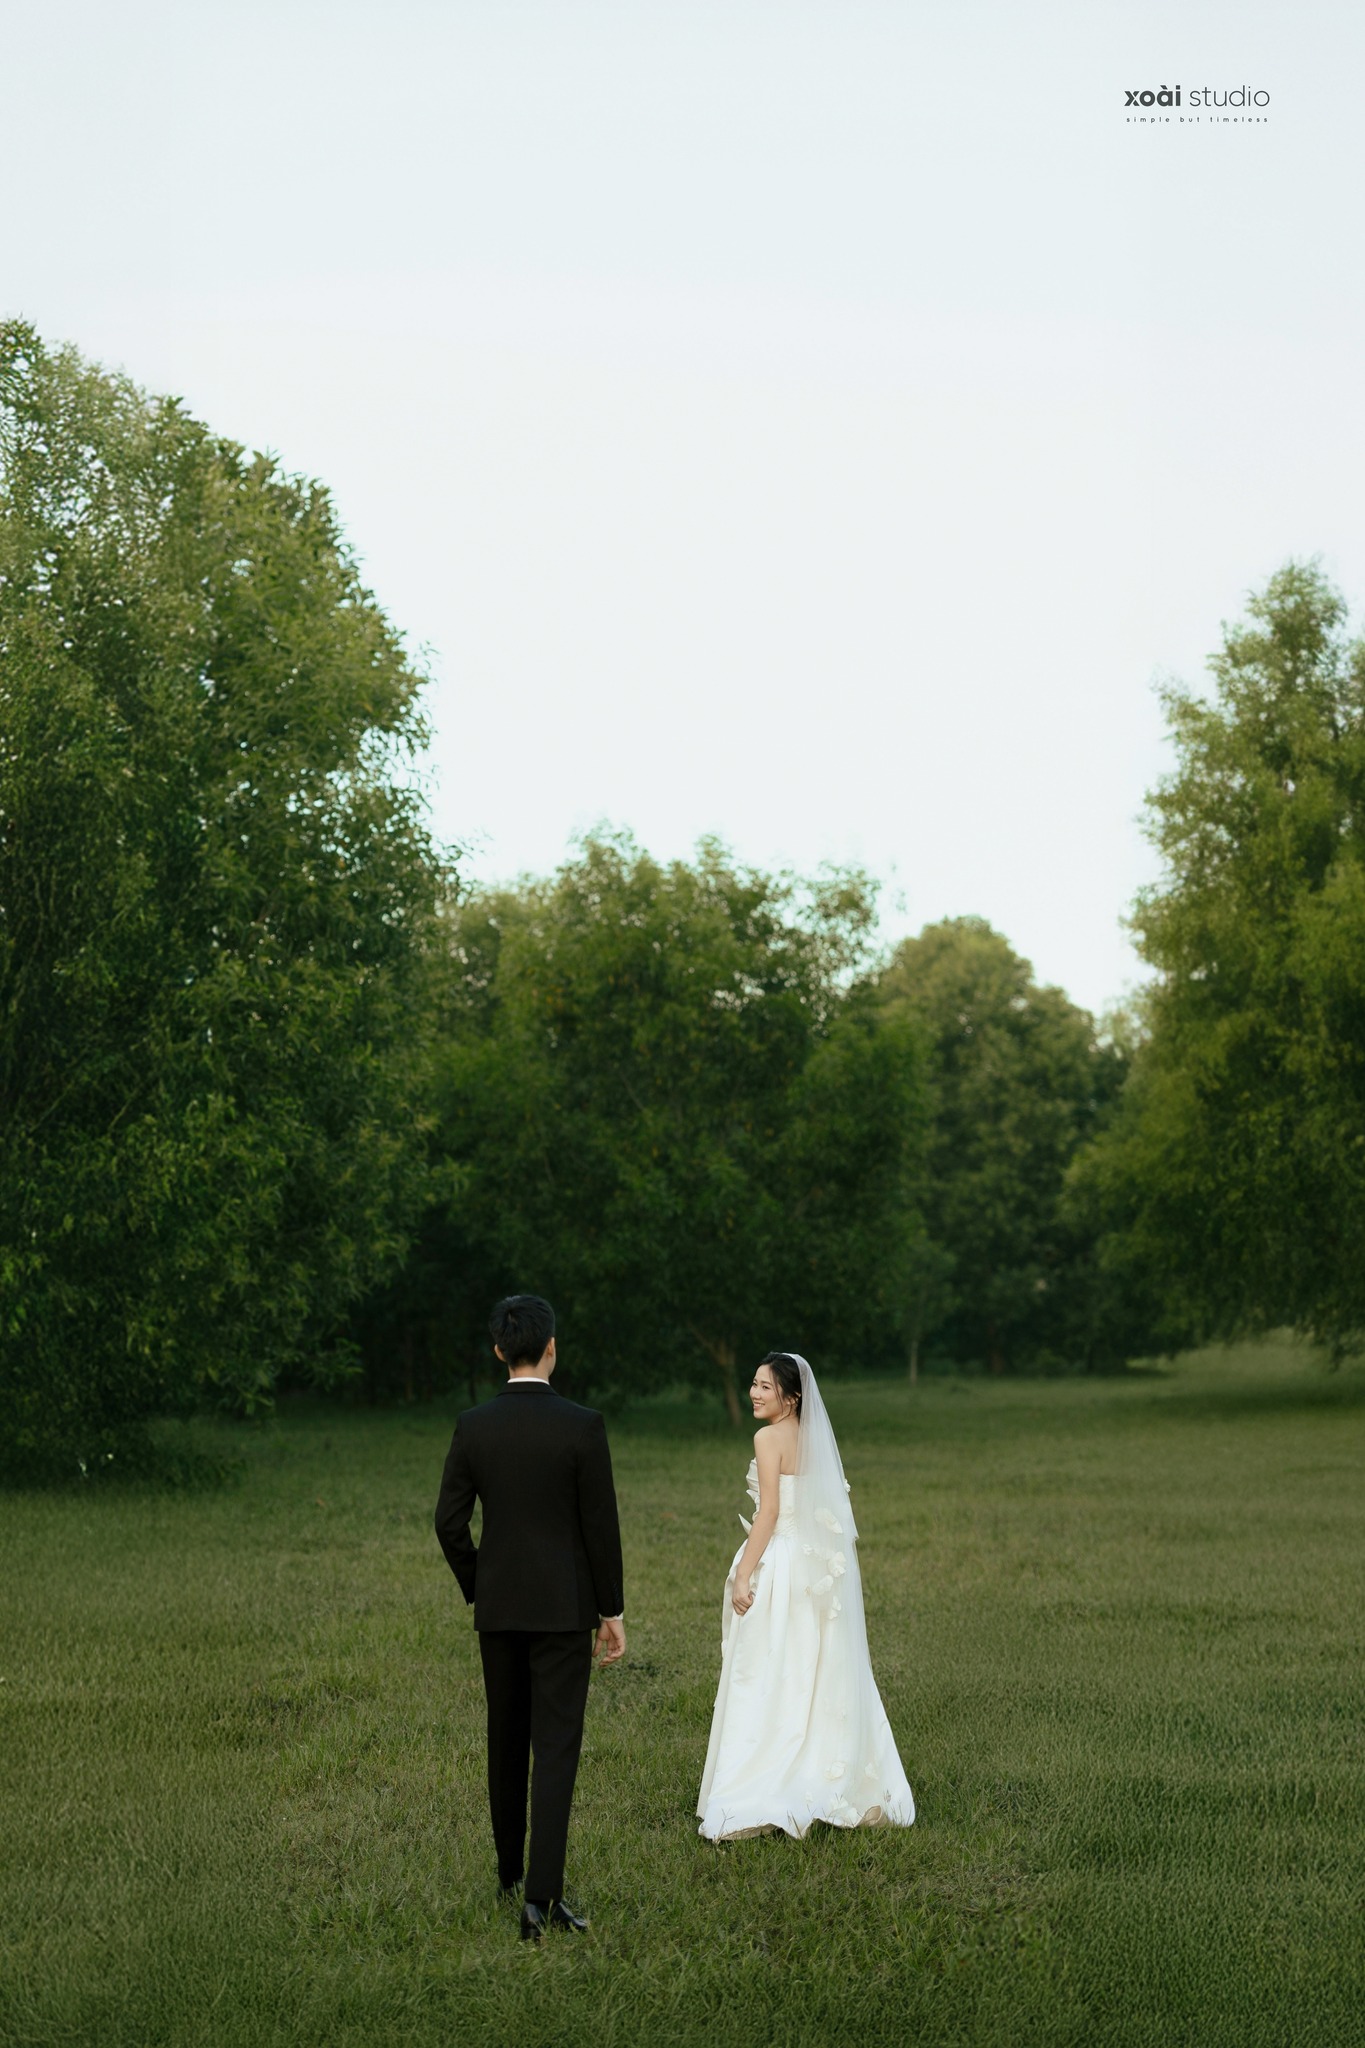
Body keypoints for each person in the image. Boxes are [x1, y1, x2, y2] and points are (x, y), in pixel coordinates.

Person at [435, 1294, 625, 1940]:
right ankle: (540, 1900)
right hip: (565, 1610)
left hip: (499, 1610)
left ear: (497, 1351)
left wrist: (478, 1582)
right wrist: (612, 1609)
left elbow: (448, 1523)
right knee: (556, 1749)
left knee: (505, 1740)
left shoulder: (473, 1425)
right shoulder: (582, 1425)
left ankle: (508, 1875)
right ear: (551, 1349)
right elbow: (601, 1528)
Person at [697, 1350, 915, 1841]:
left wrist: (744, 1574)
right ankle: (831, 1773)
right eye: (752, 1384)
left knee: (773, 1667)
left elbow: (769, 1512)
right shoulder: (814, 1440)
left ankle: (767, 1778)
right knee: (818, 1667)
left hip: (782, 1564)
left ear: (792, 1398)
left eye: (765, 1387)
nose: (754, 1393)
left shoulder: (767, 1437)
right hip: (816, 1568)